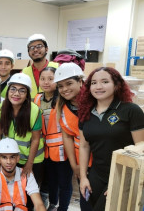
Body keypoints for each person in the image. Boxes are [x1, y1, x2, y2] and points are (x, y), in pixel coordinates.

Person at [78, 67, 144, 211]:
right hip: (96, 175)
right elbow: (84, 146)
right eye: (94, 83)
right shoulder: (85, 113)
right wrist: (83, 177)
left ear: (116, 85)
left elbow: (141, 148)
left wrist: (122, 182)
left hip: (123, 174)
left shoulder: (131, 110)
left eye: (105, 81)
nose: (98, 87)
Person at [0, 73, 44, 210]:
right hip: (9, 156)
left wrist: (29, 164)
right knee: (8, 190)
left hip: (31, 158)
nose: (16, 93)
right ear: (8, 91)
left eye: (22, 90)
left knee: (29, 194)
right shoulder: (3, 106)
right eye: (13, 89)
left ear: (27, 94)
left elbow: (35, 139)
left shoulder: (34, 110)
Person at [54, 63, 93, 211]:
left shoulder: (94, 102)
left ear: (80, 81)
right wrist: (74, 166)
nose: (64, 89)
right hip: (82, 162)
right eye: (60, 86)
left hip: (100, 162)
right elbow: (67, 137)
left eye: (69, 83)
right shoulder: (63, 108)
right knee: (86, 201)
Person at [34, 67, 72, 211]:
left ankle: (63, 208)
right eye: (43, 79)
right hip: (45, 150)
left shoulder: (63, 99)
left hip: (63, 149)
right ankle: (52, 204)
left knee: (64, 183)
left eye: (50, 79)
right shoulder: (37, 98)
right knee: (51, 181)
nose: (46, 82)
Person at [0, 138, 46, 211]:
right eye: (4, 157)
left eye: (12, 157)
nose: (8, 162)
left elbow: (39, 204)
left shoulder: (26, 174)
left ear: (18, 158)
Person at [22, 34, 59, 99]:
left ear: (46, 49)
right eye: (32, 48)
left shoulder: (58, 68)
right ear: (28, 52)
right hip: (31, 108)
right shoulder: (24, 72)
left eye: (39, 46)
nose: (35, 50)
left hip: (54, 107)